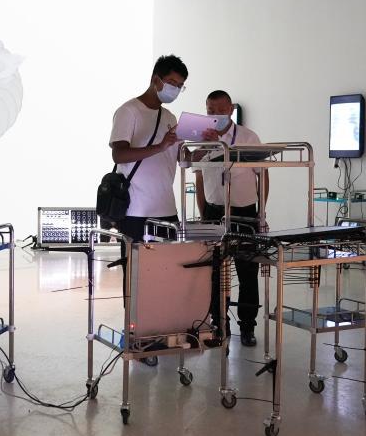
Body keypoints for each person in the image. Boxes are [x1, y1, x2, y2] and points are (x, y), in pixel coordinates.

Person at [196, 90, 269, 346]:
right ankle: (219, 324)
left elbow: (263, 175)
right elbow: (199, 178)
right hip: (214, 212)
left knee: (248, 270)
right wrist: (203, 214)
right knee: (215, 272)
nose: (215, 114)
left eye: (220, 109)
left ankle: (247, 326)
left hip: (244, 211)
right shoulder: (203, 140)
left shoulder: (248, 137)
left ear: (230, 109)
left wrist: (261, 213)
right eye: (210, 110)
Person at [108, 55, 187, 245]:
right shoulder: (129, 111)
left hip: (167, 208)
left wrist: (210, 144)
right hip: (136, 211)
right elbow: (119, 155)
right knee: (138, 264)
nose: (175, 89)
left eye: (180, 86)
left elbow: (183, 158)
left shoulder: (169, 117)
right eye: (171, 83)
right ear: (155, 79)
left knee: (172, 264)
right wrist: (160, 146)